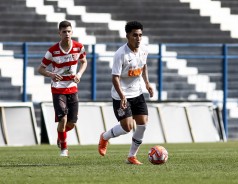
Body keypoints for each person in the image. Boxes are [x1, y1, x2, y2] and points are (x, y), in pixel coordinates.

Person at [98, 21, 154, 165]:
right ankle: (104, 137)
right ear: (128, 36)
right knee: (127, 127)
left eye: (140, 35)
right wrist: (122, 96)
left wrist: (147, 83)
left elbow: (144, 66)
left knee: (143, 124)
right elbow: (115, 77)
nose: (138, 38)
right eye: (135, 35)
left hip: (138, 93)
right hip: (121, 95)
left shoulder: (144, 50)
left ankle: (131, 156)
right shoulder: (120, 54)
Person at [37, 20, 87, 157]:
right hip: (58, 89)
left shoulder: (79, 47)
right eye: (64, 32)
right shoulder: (52, 51)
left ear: (72, 32)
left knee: (71, 123)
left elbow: (84, 61)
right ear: (59, 33)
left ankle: (61, 135)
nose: (67, 34)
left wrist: (79, 74)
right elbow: (40, 69)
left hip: (72, 88)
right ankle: (64, 149)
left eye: (69, 31)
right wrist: (51, 74)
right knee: (63, 119)